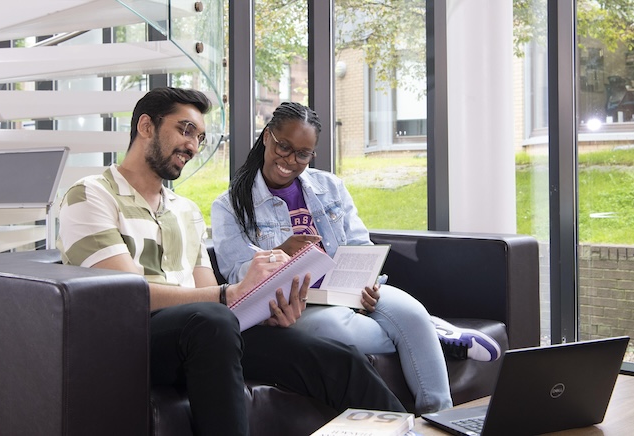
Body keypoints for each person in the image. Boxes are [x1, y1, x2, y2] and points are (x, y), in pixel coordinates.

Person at [56, 88, 405, 436]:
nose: (193, 146)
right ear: (146, 126)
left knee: (337, 360)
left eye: (200, 137)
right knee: (212, 319)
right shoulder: (91, 195)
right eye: (185, 130)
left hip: (204, 331)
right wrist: (228, 295)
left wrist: (264, 307)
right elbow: (127, 298)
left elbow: (208, 292)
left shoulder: (186, 211)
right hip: (131, 340)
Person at [211, 101, 501, 414]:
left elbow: (359, 243)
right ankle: (433, 336)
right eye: (284, 147)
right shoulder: (230, 205)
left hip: (351, 288)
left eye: (303, 154)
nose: (290, 160)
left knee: (412, 312)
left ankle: (439, 419)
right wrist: (280, 254)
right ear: (267, 136)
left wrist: (368, 280)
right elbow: (237, 275)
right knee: (347, 332)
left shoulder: (330, 187)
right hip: (301, 305)